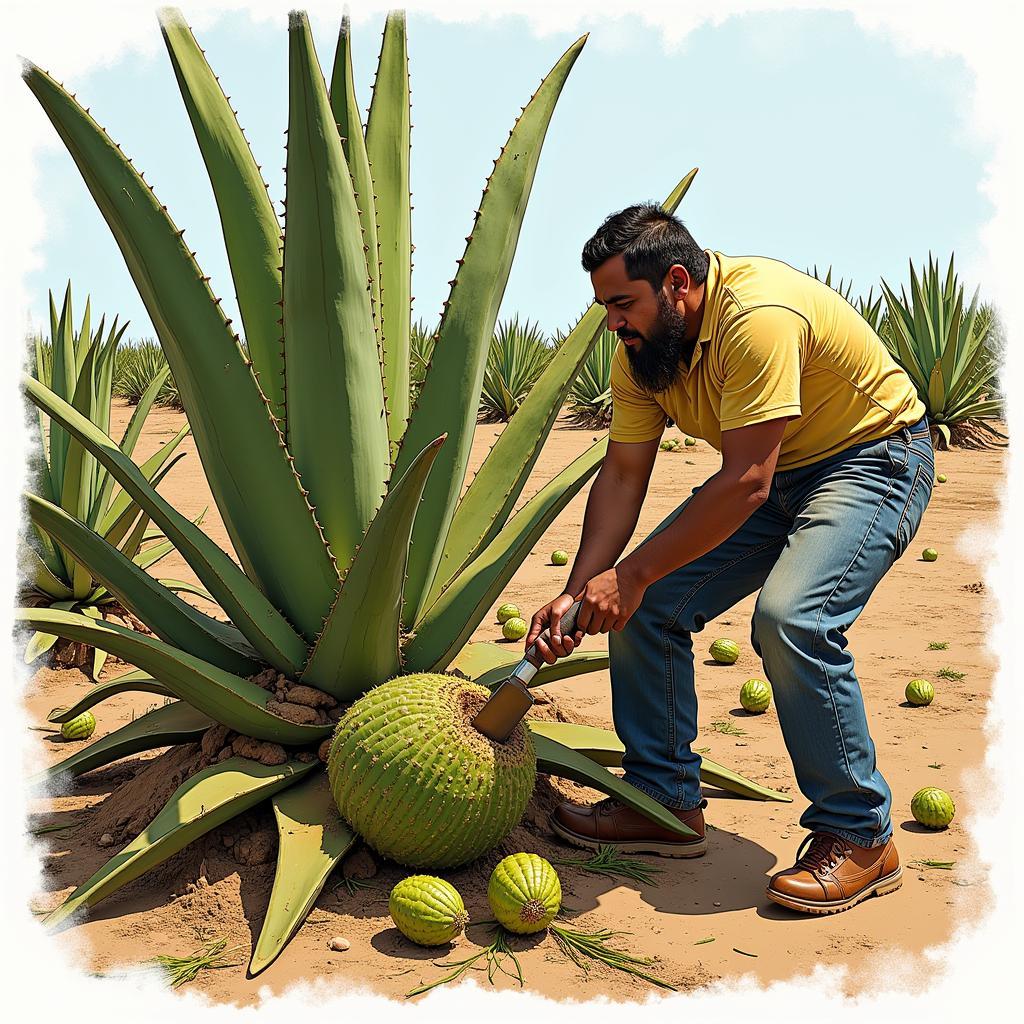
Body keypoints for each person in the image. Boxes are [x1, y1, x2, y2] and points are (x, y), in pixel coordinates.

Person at [526, 203, 932, 916]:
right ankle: (664, 802)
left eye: (623, 304)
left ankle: (861, 835)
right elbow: (623, 476)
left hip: (871, 461)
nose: (612, 323)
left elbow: (745, 480)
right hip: (769, 480)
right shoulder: (641, 354)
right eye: (603, 308)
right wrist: (583, 589)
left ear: (676, 282)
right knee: (640, 606)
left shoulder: (759, 316)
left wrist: (635, 573)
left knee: (792, 620)